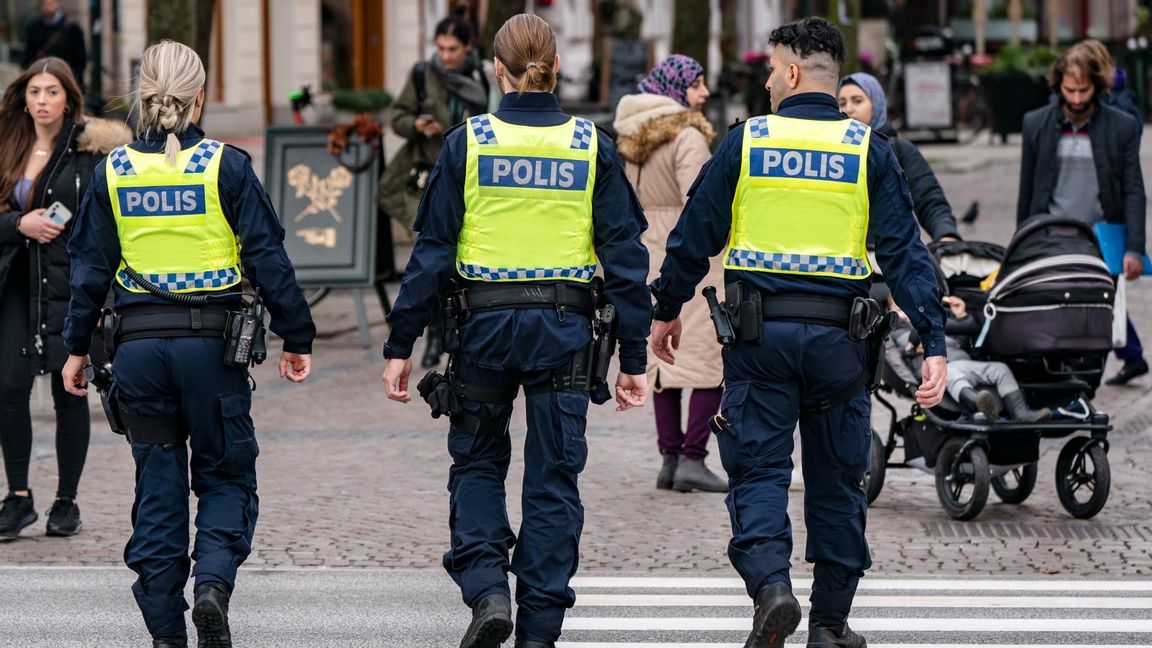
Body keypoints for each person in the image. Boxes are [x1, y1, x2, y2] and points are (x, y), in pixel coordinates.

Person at [649, 18, 947, 648]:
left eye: (770, 68)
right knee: (838, 481)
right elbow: (905, 252)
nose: (763, 79)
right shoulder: (868, 148)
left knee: (757, 472)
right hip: (842, 343)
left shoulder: (746, 142)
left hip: (760, 342)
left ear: (790, 73)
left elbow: (695, 234)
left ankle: (772, 590)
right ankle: (832, 625)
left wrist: (666, 308)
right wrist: (934, 339)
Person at [381, 14, 651, 648]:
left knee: (477, 463)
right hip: (564, 330)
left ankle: (488, 591)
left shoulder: (466, 142)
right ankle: (538, 631)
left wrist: (400, 344)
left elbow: (432, 251)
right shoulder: (591, 145)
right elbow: (626, 259)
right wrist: (634, 355)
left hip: (482, 328)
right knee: (553, 478)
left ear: (496, 72)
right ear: (555, 68)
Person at [59, 41, 315, 648]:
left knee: (159, 483)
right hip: (212, 348)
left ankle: (166, 631)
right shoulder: (226, 165)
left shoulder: (113, 170)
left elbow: (89, 271)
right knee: (226, 477)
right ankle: (212, 587)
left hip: (138, 352)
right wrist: (296, 335)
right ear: (199, 95)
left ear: (143, 93)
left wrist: (75, 348)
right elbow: (268, 258)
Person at [0, 57, 130, 541]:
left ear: (69, 98)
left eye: (52, 91)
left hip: (69, 284)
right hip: (16, 284)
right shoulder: (7, 145)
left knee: (67, 388)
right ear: (23, 97)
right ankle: (17, 498)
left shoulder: (89, 153)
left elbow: (105, 220)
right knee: (9, 387)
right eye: (34, 91)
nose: (42, 101)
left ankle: (65, 501)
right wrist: (19, 224)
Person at [613, 54, 726, 493]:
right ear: (678, 88)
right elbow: (700, 201)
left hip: (647, 248)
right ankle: (693, 457)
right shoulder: (688, 135)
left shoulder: (631, 135)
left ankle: (669, 457)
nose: (703, 94)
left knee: (663, 357)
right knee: (706, 358)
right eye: (697, 85)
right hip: (687, 251)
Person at [1017, 43, 1147, 386]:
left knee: (1099, 323)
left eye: (1084, 90)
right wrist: (1020, 246)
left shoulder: (1121, 126)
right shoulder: (1035, 125)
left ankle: (1086, 388)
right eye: (1069, 90)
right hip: (1051, 238)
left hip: (1102, 241)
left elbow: (1134, 189)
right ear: (1058, 85)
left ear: (1098, 86)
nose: (1076, 99)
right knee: (1057, 319)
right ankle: (1065, 389)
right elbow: (1026, 192)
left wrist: (1134, 248)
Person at [378, 14, 494, 370]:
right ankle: (432, 340)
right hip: (427, 177)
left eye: (453, 49)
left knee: (461, 263)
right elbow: (397, 116)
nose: (445, 56)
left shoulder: (485, 77)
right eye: (441, 48)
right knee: (430, 263)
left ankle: (456, 335)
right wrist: (416, 124)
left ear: (468, 47)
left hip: (471, 179)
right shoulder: (421, 74)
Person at [837, 72, 961, 243]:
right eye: (841, 102)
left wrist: (946, 234)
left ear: (877, 104)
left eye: (857, 101)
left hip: (889, 256)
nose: (848, 109)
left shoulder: (898, 150)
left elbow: (928, 198)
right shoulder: (832, 150)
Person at [889, 296, 1050, 422]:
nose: (908, 312)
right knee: (949, 372)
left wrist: (961, 315)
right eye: (901, 309)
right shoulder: (897, 334)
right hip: (939, 368)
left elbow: (963, 343)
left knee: (1000, 369)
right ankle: (978, 403)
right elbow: (896, 357)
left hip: (964, 362)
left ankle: (1021, 413)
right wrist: (910, 348)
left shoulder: (938, 324)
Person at [21, 0, 87, 90]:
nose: (49, 7)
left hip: (67, 80)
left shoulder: (72, 28)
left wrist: (74, 77)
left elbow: (80, 56)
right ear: (42, 6)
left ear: (58, 4)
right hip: (41, 79)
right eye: (46, 4)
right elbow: (28, 54)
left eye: (52, 3)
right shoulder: (33, 27)